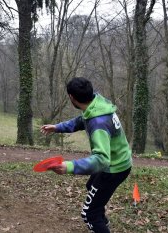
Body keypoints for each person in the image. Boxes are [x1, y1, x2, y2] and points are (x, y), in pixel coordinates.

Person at [40, 77, 132, 233]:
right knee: (91, 186)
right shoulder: (97, 103)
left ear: (71, 98)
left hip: (114, 168)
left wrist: (69, 166)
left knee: (89, 214)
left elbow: (102, 160)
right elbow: (81, 120)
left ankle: (99, 222)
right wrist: (57, 127)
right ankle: (103, 224)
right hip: (117, 162)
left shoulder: (98, 124)